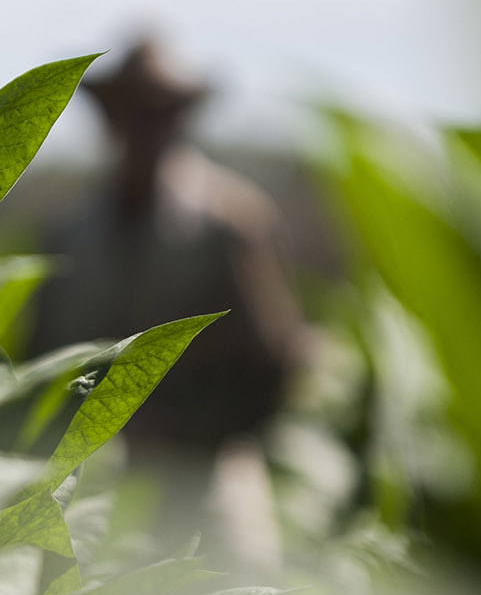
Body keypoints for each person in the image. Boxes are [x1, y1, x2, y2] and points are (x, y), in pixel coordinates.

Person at [31, 38, 304, 474]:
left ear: (182, 117)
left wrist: (180, 430)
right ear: (110, 117)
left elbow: (277, 361)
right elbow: (41, 356)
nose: (148, 125)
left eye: (162, 110)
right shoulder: (69, 231)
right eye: (134, 109)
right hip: (90, 475)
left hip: (209, 472)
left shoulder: (232, 221)